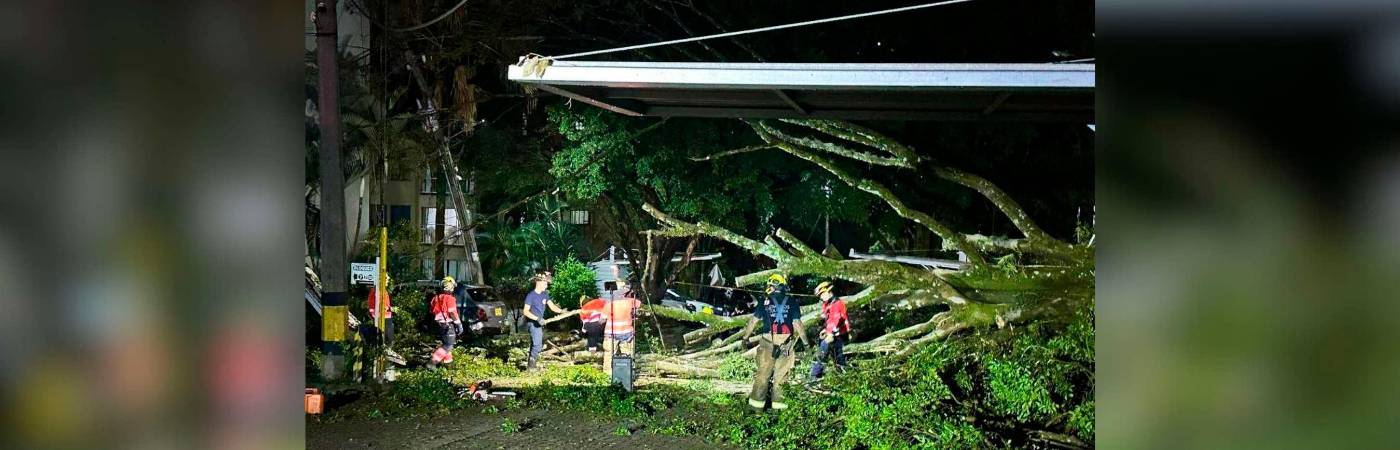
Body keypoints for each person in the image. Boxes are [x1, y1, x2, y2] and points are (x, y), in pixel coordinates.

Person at [740, 274, 810, 410]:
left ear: (772, 286)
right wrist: (806, 344)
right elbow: (797, 324)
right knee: (781, 377)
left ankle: (756, 410)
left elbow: (753, 321)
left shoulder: (764, 301)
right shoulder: (792, 301)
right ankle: (778, 411)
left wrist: (745, 338)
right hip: (786, 344)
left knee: (762, 375)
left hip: (767, 343)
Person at [520, 272, 566, 371]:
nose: (547, 285)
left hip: (539, 323)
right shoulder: (531, 295)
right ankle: (531, 367)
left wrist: (562, 311)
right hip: (532, 323)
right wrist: (537, 319)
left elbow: (553, 307)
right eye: (545, 283)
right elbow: (525, 311)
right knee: (537, 345)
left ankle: (530, 365)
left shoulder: (545, 294)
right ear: (539, 282)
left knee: (535, 344)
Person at [809, 281, 850, 379]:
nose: (821, 297)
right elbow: (829, 320)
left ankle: (814, 376)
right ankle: (842, 376)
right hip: (834, 333)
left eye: (822, 294)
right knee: (836, 358)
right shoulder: (827, 304)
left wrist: (829, 333)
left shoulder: (837, 303)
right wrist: (826, 330)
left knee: (825, 352)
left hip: (840, 335)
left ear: (828, 291)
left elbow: (835, 320)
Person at [601, 282, 643, 372]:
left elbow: (602, 320)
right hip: (627, 332)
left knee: (609, 355)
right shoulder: (631, 302)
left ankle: (608, 375)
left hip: (611, 333)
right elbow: (640, 305)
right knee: (628, 354)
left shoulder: (608, 305)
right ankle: (629, 373)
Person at [429, 276, 462, 367]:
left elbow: (432, 311)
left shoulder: (435, 298)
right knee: (448, 345)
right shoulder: (450, 298)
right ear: (450, 286)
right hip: (447, 324)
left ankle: (449, 363)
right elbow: (452, 312)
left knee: (446, 343)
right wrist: (458, 324)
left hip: (438, 325)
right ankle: (432, 362)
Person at [366, 275, 393, 347]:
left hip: (383, 316)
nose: (388, 280)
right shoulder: (378, 291)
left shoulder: (380, 290)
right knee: (387, 340)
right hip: (383, 317)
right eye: (386, 279)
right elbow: (374, 307)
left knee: (386, 339)